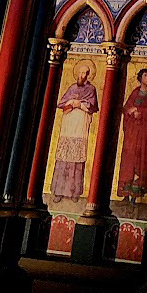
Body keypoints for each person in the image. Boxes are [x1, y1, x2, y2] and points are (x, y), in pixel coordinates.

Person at [47, 62, 99, 202]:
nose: (82, 75)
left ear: (88, 75)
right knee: (63, 157)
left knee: (76, 159)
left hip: (80, 126)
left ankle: (74, 192)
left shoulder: (91, 89)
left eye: (85, 73)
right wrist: (71, 102)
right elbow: (61, 103)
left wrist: (80, 104)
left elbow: (93, 106)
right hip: (68, 126)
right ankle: (58, 191)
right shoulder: (72, 88)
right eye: (80, 73)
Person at [116, 68, 147, 200]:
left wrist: (138, 110)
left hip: (143, 132)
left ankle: (136, 193)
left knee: (141, 159)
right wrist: (131, 111)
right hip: (132, 132)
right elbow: (125, 107)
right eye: (145, 75)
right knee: (129, 159)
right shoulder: (135, 92)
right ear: (140, 77)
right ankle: (126, 193)